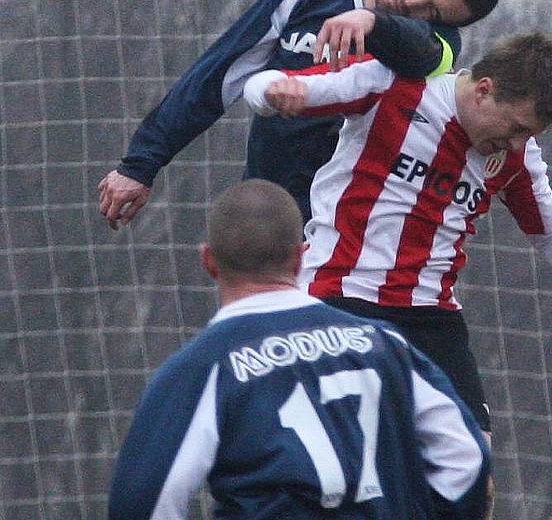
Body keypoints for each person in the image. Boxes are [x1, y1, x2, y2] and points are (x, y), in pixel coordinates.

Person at [242, 32, 552, 437]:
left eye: (529, 135)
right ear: (483, 89)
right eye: (517, 127)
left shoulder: (517, 157)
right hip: (339, 293)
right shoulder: (394, 86)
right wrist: (273, 94)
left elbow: (551, 231)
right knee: (340, 448)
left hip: (430, 315)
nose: (516, 142)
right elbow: (265, 84)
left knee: (473, 463)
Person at [107, 179, 491, 520]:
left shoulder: (203, 368)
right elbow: (467, 459)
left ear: (209, 261)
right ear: (301, 256)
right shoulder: (384, 344)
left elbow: (143, 501)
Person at [98, 0, 500, 228]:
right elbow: (221, 72)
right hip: (265, 215)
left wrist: (372, 23)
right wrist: (141, 163)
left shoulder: (438, 46)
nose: (414, 2)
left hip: (348, 235)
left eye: (433, 10)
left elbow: (421, 53)